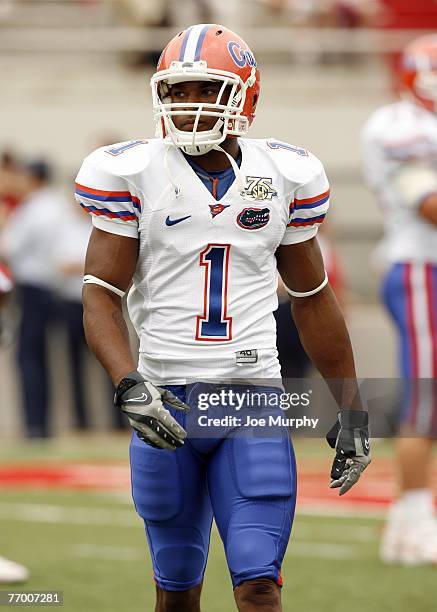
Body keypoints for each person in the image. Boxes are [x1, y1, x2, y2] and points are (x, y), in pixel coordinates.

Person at [76, 24, 370, 611]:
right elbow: (101, 294)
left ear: (245, 96)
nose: (187, 106)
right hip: (167, 399)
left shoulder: (285, 174)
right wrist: (128, 383)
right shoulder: (132, 171)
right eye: (177, 91)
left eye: (203, 91)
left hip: (252, 397)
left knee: (259, 583)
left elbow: (312, 296)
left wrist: (353, 406)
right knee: (177, 589)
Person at [361, 35, 437, 565]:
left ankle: (410, 522)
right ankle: (413, 521)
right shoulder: (400, 127)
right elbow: (429, 203)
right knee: (425, 398)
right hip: (420, 268)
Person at [0, 160, 66, 438]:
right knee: (42, 358)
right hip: (53, 288)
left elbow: (8, 247)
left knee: (28, 358)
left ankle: (35, 424)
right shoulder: (58, 205)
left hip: (32, 288)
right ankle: (41, 423)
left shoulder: (32, 208)